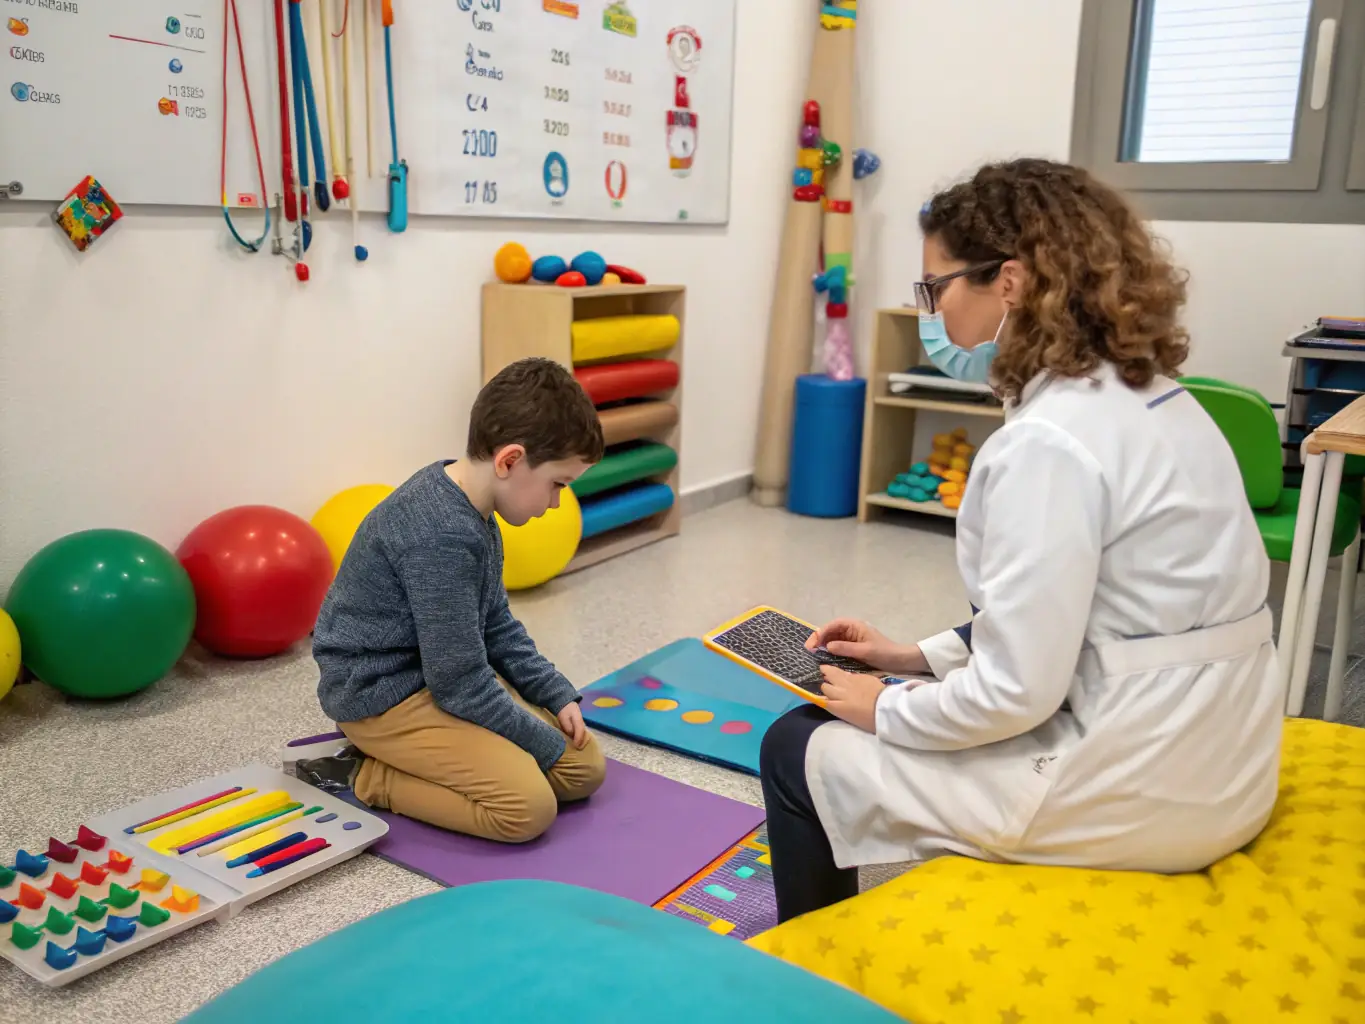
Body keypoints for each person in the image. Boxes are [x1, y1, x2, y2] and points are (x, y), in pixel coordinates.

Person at [759, 158, 1282, 923]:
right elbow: (1091, 607)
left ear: (1007, 284)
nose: (932, 313)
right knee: (900, 706)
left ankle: (805, 976)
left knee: (795, 746)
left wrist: (886, 710)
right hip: (1224, 760)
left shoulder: (1048, 442)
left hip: (1142, 785)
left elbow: (1018, 693)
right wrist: (913, 659)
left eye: (935, 288)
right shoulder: (1157, 398)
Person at [299, 357, 608, 843]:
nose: (554, 504)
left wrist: (554, 692)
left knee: (583, 770)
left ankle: (428, 759)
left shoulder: (476, 506)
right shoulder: (440, 534)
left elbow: (496, 625)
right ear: (509, 460)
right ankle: (363, 775)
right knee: (527, 810)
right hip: (383, 697)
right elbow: (460, 683)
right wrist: (538, 743)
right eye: (557, 485)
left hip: (440, 674)